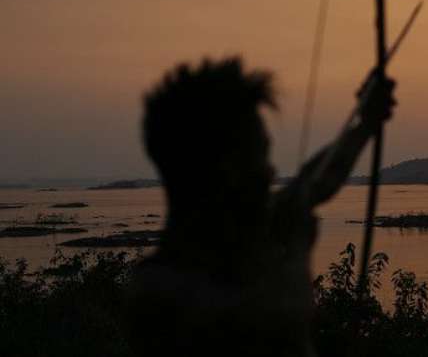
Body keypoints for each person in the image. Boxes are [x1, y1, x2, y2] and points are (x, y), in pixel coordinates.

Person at [127, 56, 396, 356]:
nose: (269, 172)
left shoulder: (234, 236)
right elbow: (275, 318)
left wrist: (364, 125)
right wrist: (296, 250)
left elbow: (311, 184)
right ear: (226, 169)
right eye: (260, 156)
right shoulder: (163, 292)